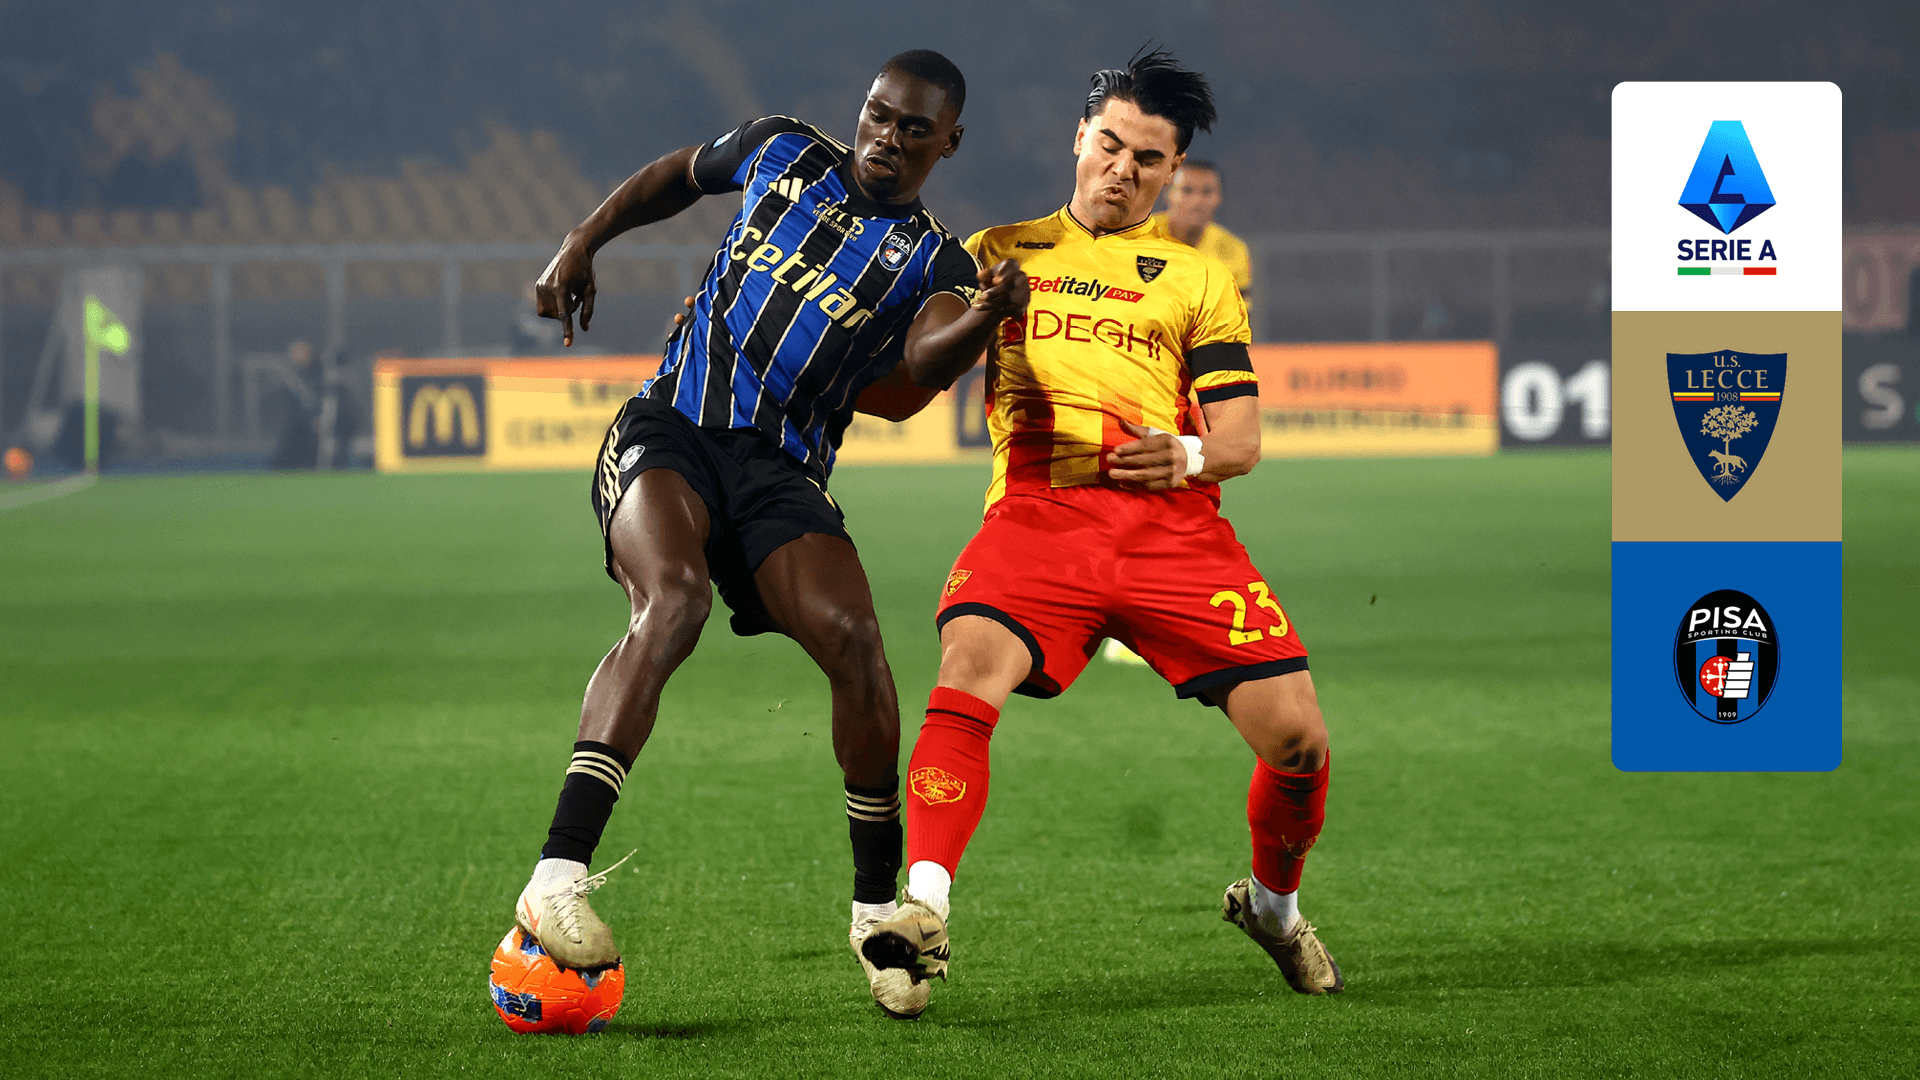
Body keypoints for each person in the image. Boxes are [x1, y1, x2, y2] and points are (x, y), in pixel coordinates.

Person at [520, 49, 1027, 1020]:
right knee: (674, 602)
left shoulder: (936, 259)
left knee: (858, 644)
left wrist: (988, 316)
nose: (886, 137)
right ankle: (557, 876)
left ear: (948, 144)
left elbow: (925, 360)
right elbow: (676, 175)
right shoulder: (782, 149)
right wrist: (583, 239)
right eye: (878, 114)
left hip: (783, 474)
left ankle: (877, 915)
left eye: (913, 129)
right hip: (672, 425)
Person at [861, 48, 1343, 1005]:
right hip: (1038, 516)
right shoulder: (993, 252)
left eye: (1148, 158)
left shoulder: (1197, 278)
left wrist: (1189, 455)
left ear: (1172, 171)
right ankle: (922, 912)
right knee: (968, 667)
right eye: (1110, 145)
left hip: (1174, 532)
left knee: (1300, 745)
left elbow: (1242, 438)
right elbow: (899, 375)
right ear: (1079, 138)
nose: (1123, 169)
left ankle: (1274, 910)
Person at [1153, 160, 1252, 294]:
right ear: (1168, 194)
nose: (1197, 201)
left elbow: (1239, 305)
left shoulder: (1233, 251)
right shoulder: (1139, 235)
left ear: (1219, 198)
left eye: (1206, 192)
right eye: (1187, 190)